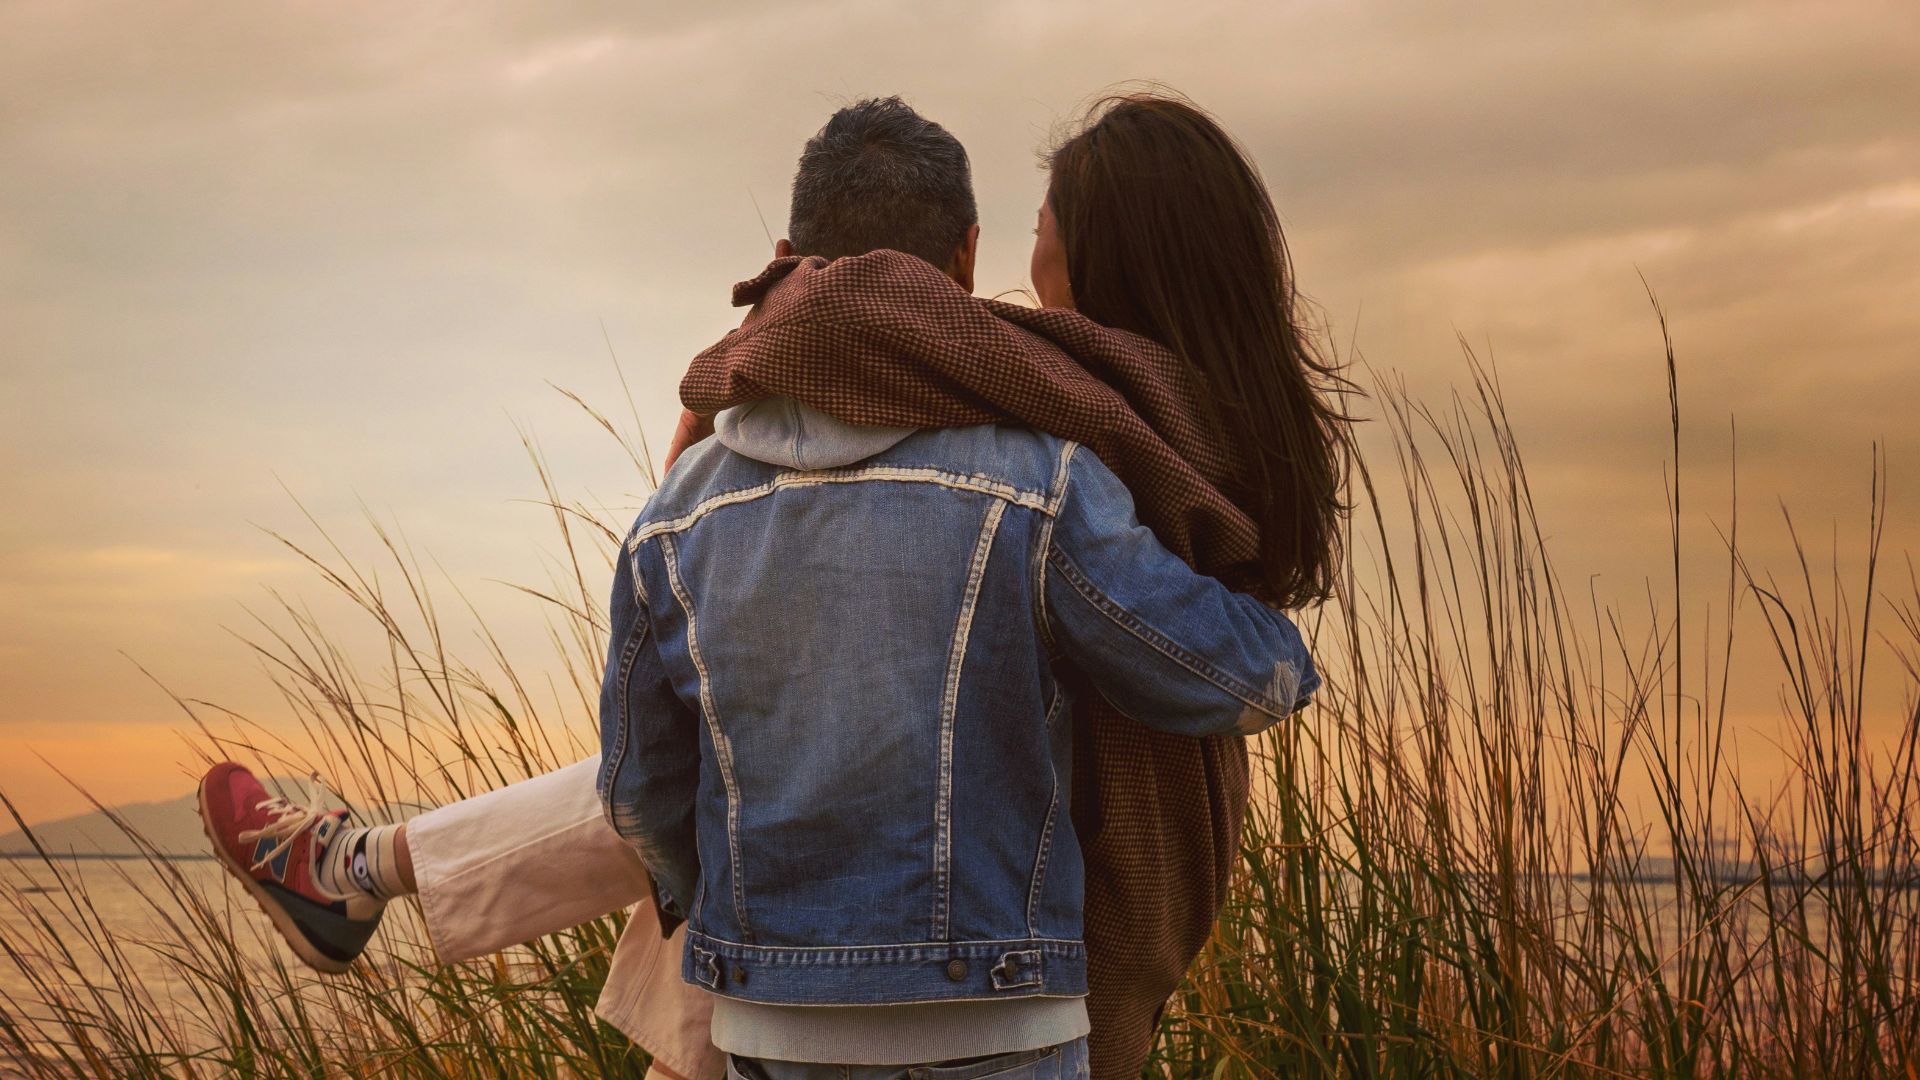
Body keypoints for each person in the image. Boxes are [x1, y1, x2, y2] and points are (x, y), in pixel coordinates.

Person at [198, 92, 1343, 1080]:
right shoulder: (1172, 415)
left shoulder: (1045, 412)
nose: (1024, 262)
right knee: (765, 733)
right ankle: (362, 870)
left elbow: (655, 779)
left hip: (973, 904)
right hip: (990, 940)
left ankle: (363, 868)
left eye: (1048, 229)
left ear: (1100, 251)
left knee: (737, 750)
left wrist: (762, 392)